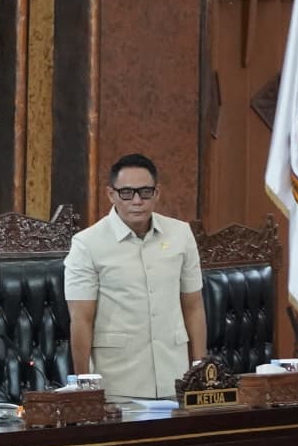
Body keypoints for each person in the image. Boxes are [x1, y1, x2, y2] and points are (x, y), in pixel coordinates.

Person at [64, 153, 206, 401]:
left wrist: (200, 370)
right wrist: (85, 387)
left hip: (176, 378)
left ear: (157, 193)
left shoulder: (181, 234)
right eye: (127, 193)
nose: (137, 201)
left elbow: (193, 306)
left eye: (145, 192)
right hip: (118, 384)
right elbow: (81, 319)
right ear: (111, 194)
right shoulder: (87, 244)